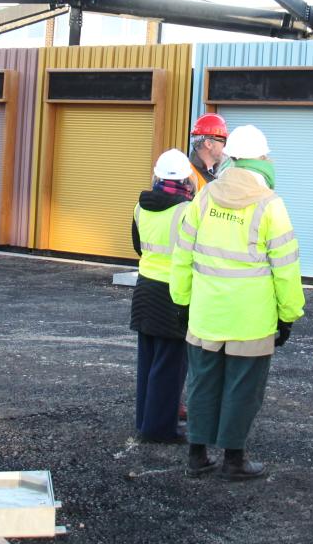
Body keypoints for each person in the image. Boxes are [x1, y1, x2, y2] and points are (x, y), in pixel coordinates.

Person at [169, 124, 304, 480]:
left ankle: (197, 455)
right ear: (262, 159)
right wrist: (288, 315)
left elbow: (182, 254)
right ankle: (234, 460)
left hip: (206, 313)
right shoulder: (271, 204)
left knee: (202, 383)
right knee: (243, 389)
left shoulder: (204, 196)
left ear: (229, 158)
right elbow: (286, 268)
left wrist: (181, 301)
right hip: (251, 319)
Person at [130, 148, 195, 444]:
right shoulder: (187, 211)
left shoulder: (140, 207)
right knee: (170, 365)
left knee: (148, 361)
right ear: (186, 179)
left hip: (144, 289)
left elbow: (137, 246)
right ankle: (159, 429)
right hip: (173, 293)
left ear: (157, 176)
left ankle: (145, 420)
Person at [187, 112, 228, 190]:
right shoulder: (188, 176)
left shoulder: (219, 172)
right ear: (208, 144)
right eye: (223, 141)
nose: (225, 146)